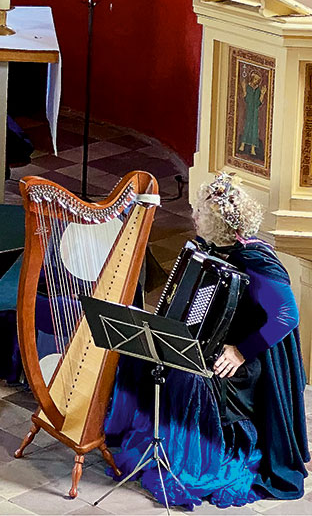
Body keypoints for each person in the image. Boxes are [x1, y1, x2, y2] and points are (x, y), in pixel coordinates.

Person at [104, 172, 309, 509]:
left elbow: (287, 317)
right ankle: (142, 432)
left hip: (249, 357)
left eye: (200, 212)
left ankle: (197, 460)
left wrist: (242, 351)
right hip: (218, 341)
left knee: (188, 378)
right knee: (142, 353)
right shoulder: (209, 249)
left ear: (217, 222)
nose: (194, 216)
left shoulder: (256, 263)